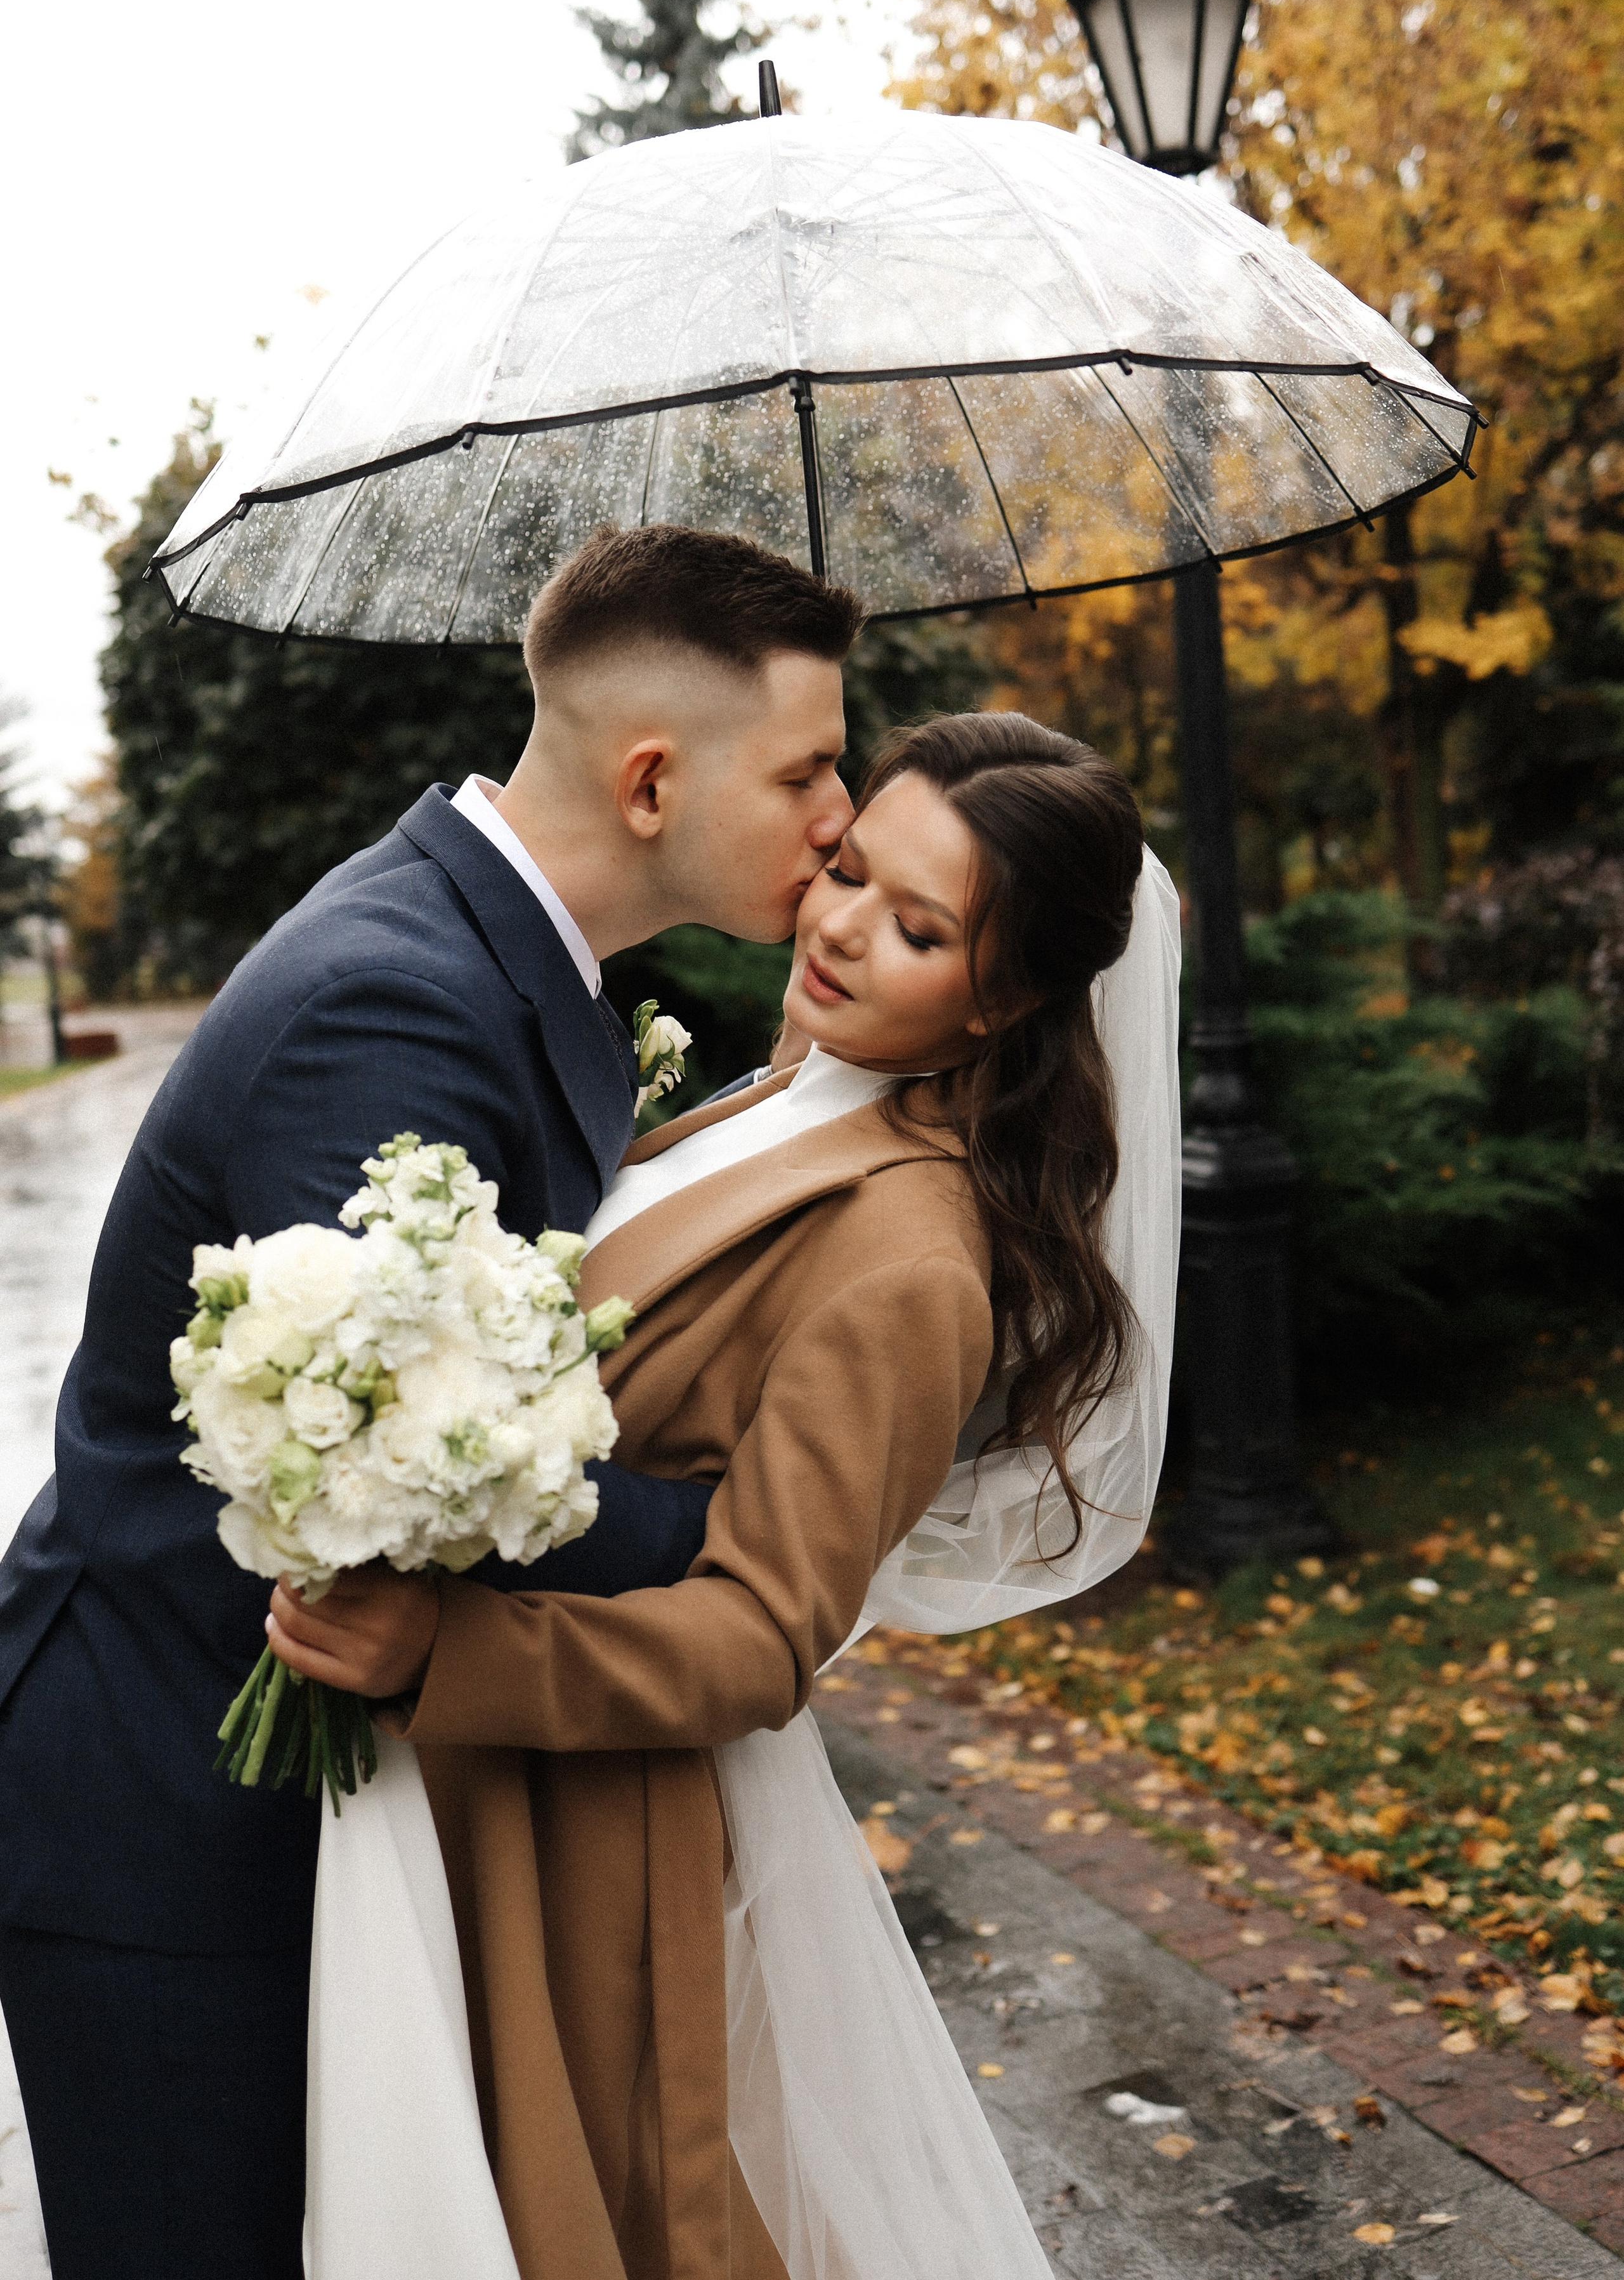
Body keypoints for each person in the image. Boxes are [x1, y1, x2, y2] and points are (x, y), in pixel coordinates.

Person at [0, 524, 863, 2280]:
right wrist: (757, 1534)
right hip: (165, 1801)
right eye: (808, 769)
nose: (841, 813)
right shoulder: (395, 1000)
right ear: (648, 779)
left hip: (271, 1779)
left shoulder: (495, 952)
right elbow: (398, 1469)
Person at [265, 711, 1182, 2280]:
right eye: (846, 869)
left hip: (577, 1818)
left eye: (915, 928)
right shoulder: (779, 1092)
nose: (834, 928)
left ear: (1006, 996)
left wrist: (443, 1658)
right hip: (468, 1779)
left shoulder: (913, 1259)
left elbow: (763, 1638)